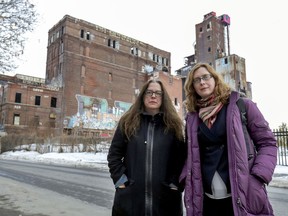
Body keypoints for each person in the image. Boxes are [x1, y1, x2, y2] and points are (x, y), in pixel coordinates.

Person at [180, 63, 277, 216]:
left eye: (206, 77)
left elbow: (267, 143)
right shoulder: (192, 118)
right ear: (192, 87)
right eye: (196, 80)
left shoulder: (242, 106)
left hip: (242, 194)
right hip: (207, 200)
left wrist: (259, 175)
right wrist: (185, 179)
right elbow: (190, 155)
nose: (202, 82)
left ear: (215, 79)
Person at [107, 79, 186, 216]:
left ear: (163, 98)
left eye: (157, 93)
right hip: (130, 201)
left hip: (166, 201)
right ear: (143, 96)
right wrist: (120, 180)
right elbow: (114, 154)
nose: (153, 96)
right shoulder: (127, 122)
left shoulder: (173, 125)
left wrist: (175, 184)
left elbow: (182, 159)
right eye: (149, 92)